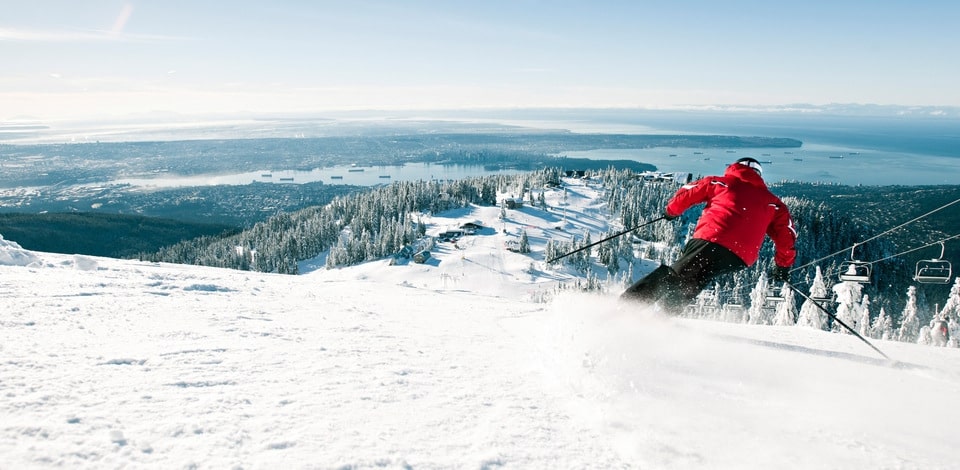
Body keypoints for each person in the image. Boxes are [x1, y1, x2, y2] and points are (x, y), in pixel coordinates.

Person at [621, 157, 797, 312]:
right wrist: (783, 267)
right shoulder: (774, 203)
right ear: (759, 175)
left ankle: (624, 309)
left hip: (713, 239)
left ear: (735, 168)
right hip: (740, 258)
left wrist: (671, 211)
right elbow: (787, 237)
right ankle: (662, 320)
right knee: (692, 281)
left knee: (674, 275)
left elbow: (688, 193)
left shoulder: (720, 182)